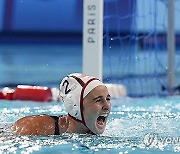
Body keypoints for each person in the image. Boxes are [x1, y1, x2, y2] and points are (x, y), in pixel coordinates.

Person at [12, 73, 111, 135]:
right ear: (73, 105)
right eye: (98, 100)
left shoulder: (96, 129)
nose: (107, 106)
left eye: (108, 99)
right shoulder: (33, 127)